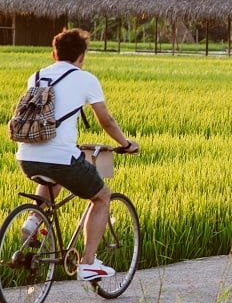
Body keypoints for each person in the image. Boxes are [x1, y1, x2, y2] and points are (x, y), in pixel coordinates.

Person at [16, 28, 140, 281]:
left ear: (54, 54)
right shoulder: (86, 79)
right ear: (82, 56)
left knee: (53, 176)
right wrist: (126, 143)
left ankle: (32, 220)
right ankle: (88, 263)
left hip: (26, 158)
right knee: (102, 197)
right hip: (60, 158)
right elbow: (105, 120)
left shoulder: (36, 76)